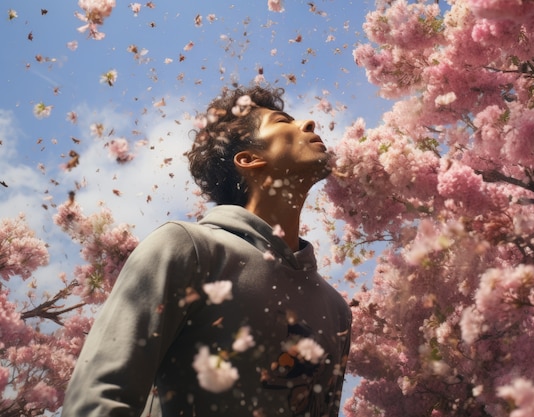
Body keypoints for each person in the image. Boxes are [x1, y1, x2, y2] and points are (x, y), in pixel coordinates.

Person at [61, 84, 352, 417]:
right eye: (283, 121)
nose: (309, 123)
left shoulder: (336, 309)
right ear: (249, 159)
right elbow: (100, 397)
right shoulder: (189, 249)